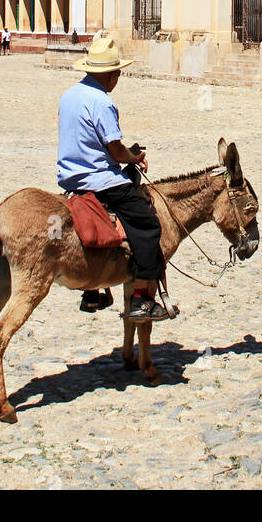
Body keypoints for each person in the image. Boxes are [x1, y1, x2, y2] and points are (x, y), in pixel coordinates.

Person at [56, 36, 169, 322]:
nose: (118, 78)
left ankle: (92, 291)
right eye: (117, 73)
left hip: (70, 178)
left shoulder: (69, 95)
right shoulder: (102, 102)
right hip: (99, 180)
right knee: (147, 224)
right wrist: (133, 156)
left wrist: (124, 154)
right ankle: (141, 299)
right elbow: (114, 149)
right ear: (110, 75)